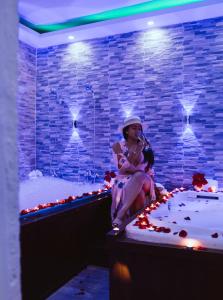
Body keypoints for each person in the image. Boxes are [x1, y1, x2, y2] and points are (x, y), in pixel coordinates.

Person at [111, 116, 156, 227]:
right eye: (134, 128)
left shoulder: (145, 145)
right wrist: (137, 150)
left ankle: (120, 214)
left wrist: (155, 186)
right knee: (139, 194)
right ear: (126, 130)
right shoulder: (118, 146)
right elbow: (123, 167)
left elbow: (148, 167)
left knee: (139, 175)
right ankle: (134, 227)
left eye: (139, 128)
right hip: (124, 180)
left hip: (144, 179)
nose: (137, 131)